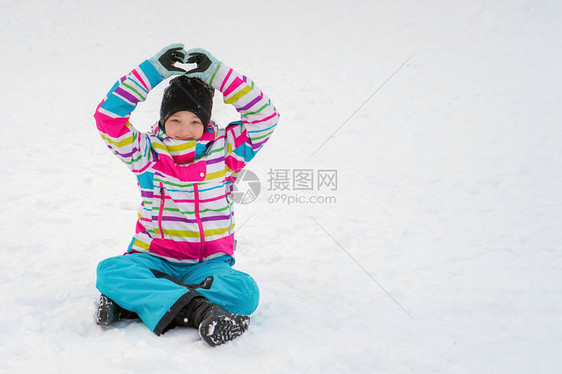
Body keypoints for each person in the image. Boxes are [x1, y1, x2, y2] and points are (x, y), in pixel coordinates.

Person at [93, 43, 279, 346]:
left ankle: (137, 302)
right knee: (111, 271)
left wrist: (217, 73)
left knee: (245, 292)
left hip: (208, 265)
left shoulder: (227, 151)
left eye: (194, 121)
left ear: (206, 122)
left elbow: (265, 117)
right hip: (153, 259)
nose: (184, 129)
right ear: (164, 119)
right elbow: (108, 120)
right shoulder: (148, 154)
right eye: (176, 120)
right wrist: (151, 72)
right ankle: (199, 310)